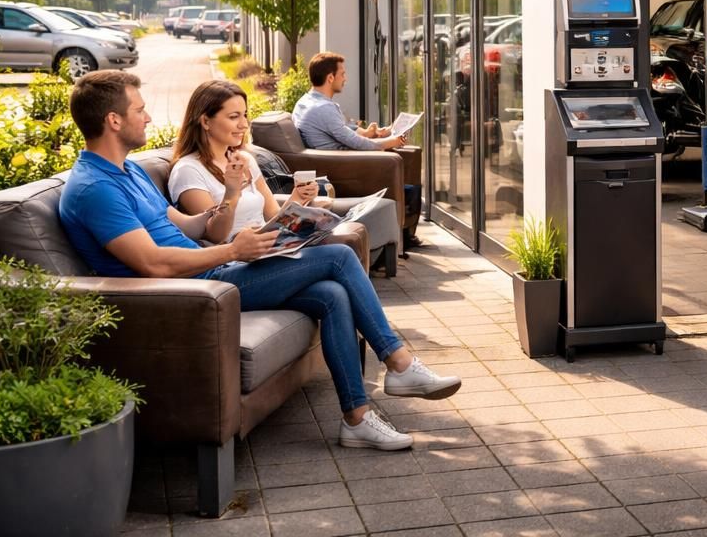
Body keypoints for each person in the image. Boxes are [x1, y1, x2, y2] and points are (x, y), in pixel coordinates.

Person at [58, 70, 461, 452]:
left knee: (331, 294)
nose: (148, 117)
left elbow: (186, 224)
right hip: (194, 291)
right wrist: (234, 249)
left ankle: (356, 419)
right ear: (113, 120)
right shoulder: (94, 188)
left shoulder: (127, 171)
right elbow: (154, 265)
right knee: (337, 257)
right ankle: (398, 361)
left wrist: (231, 203)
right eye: (139, 110)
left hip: (209, 270)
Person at [166, 79, 374, 268]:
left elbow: (273, 216)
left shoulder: (244, 159)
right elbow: (214, 236)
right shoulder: (188, 170)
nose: (244, 124)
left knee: (332, 292)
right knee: (341, 256)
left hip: (267, 252)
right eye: (233, 117)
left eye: (245, 115)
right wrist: (232, 193)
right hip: (235, 262)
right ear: (205, 121)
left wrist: (297, 199)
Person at [293, 51, 424, 252]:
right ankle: (403, 237)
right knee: (409, 186)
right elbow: (356, 143)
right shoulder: (323, 109)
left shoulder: (309, 101)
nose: (345, 79)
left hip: (341, 161)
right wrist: (392, 141)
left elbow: (342, 130)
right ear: (330, 78)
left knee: (409, 177)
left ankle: (403, 235)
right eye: (342, 74)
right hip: (344, 168)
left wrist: (370, 132)